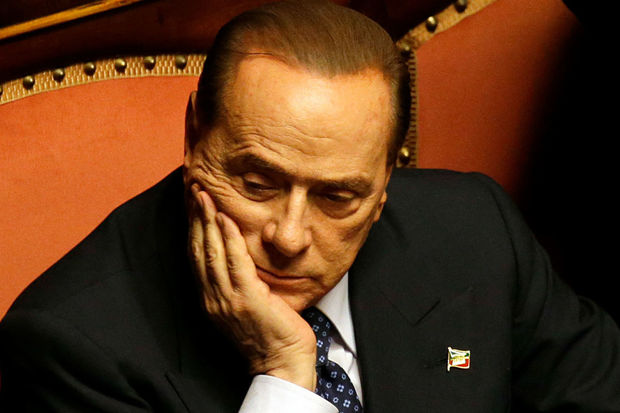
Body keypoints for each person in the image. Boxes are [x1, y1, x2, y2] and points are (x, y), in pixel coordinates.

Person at [1, 1, 619, 412]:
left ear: (386, 180)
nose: (290, 237)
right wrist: (283, 375)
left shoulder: (474, 228)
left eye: (337, 196)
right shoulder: (71, 349)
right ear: (193, 137)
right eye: (257, 184)